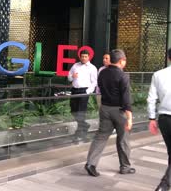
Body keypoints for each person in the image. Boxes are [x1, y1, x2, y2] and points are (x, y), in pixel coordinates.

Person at [84, 49, 135, 177]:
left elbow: (100, 88)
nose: (125, 62)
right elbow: (126, 98)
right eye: (124, 60)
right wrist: (129, 117)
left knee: (100, 136)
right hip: (119, 111)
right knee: (123, 139)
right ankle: (125, 167)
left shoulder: (102, 73)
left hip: (105, 108)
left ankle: (91, 163)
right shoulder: (123, 76)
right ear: (121, 61)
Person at [147, 48, 171, 191]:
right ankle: (164, 184)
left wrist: (151, 118)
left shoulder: (158, 75)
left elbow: (151, 98)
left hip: (164, 119)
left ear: (168, 57)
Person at [68, 50, 97, 140]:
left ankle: (80, 134)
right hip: (74, 90)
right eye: (82, 56)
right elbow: (69, 77)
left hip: (84, 91)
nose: (84, 58)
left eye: (85, 56)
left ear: (89, 57)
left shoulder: (92, 68)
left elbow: (94, 82)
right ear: (80, 57)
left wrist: (88, 92)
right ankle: (85, 125)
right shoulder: (75, 65)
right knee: (73, 110)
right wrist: (72, 76)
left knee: (81, 112)